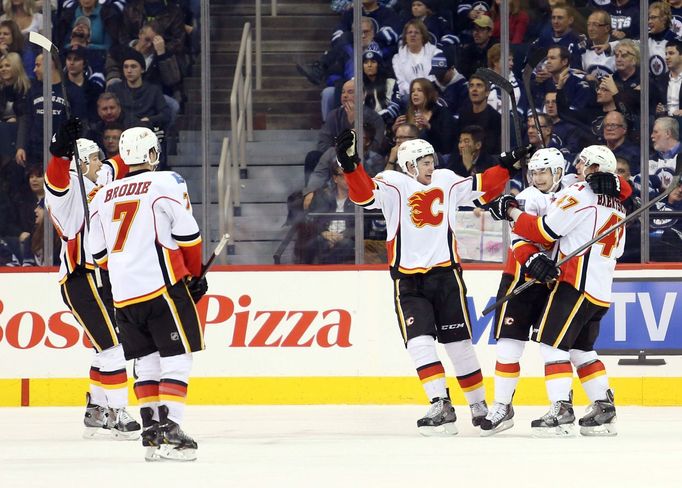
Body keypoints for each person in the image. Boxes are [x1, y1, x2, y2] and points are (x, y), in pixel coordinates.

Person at [336, 127, 532, 435]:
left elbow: (483, 185)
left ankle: (479, 406)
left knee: (459, 345)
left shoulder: (447, 180)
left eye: (431, 160)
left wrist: (507, 166)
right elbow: (362, 196)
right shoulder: (393, 183)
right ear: (409, 165)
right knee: (419, 342)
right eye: (424, 161)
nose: (431, 165)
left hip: (446, 276)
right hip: (408, 281)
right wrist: (351, 167)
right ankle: (440, 404)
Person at [481, 147, 630, 436]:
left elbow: (543, 231)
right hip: (593, 288)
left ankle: (561, 410)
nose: (578, 165)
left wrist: (510, 210)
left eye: (584, 163)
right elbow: (522, 239)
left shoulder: (581, 191)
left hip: (572, 283)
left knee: (552, 346)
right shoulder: (616, 204)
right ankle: (604, 408)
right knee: (578, 348)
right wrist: (532, 257)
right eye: (534, 171)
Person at [89, 126, 207, 461]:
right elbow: (188, 236)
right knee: (177, 358)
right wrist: (194, 275)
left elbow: (99, 256)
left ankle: (151, 433)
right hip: (161, 288)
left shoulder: (102, 196)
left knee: (148, 362)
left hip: (124, 296)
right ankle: (172, 431)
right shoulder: (165, 182)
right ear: (152, 154)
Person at [44, 119, 140, 440]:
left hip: (102, 276)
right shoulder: (68, 191)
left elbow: (120, 162)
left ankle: (96, 409)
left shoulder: (98, 176)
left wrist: (141, 141)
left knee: (104, 347)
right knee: (113, 346)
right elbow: (55, 179)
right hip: (79, 278)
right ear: (81, 163)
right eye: (95, 158)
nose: (102, 161)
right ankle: (117, 410)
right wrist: (59, 151)